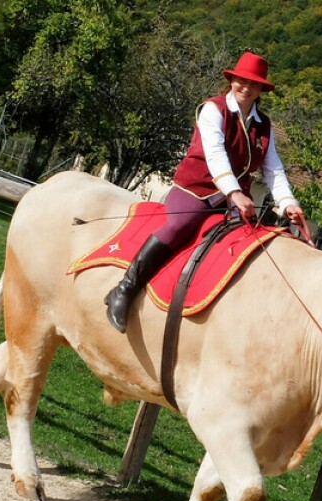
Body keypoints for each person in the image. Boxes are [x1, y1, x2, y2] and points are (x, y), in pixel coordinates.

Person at [105, 51, 307, 333]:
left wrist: (287, 203)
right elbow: (215, 155)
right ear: (232, 80)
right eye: (242, 80)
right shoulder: (213, 109)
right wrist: (234, 193)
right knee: (179, 226)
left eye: (254, 84)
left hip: (235, 199)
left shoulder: (264, 125)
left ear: (261, 89)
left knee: (249, 240)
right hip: (196, 189)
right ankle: (125, 289)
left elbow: (273, 169)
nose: (246, 88)